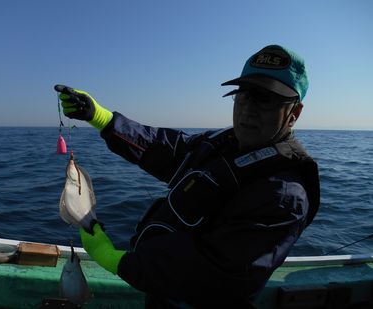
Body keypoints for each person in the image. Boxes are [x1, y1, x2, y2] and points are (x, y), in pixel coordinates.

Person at [55, 44, 320, 308]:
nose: (248, 108)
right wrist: (101, 117)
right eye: (243, 94)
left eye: (265, 99)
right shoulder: (223, 143)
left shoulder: (284, 196)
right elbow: (166, 148)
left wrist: (113, 259)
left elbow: (210, 277)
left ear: (294, 114)